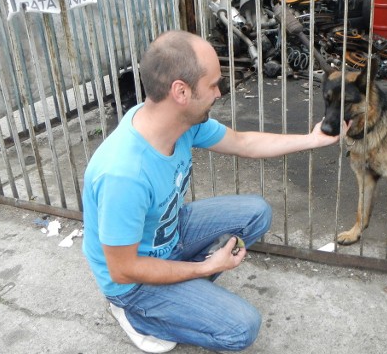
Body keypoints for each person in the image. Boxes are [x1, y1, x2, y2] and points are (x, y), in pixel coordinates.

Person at [82, 30, 346, 353]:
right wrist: (208, 267)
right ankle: (138, 315)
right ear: (181, 91)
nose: (220, 92)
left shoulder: (180, 122)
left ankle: (182, 289)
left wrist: (312, 139)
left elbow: (243, 142)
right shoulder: (123, 174)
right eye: (213, 85)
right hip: (133, 283)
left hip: (170, 234)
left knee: (256, 213)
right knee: (241, 327)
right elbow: (123, 268)